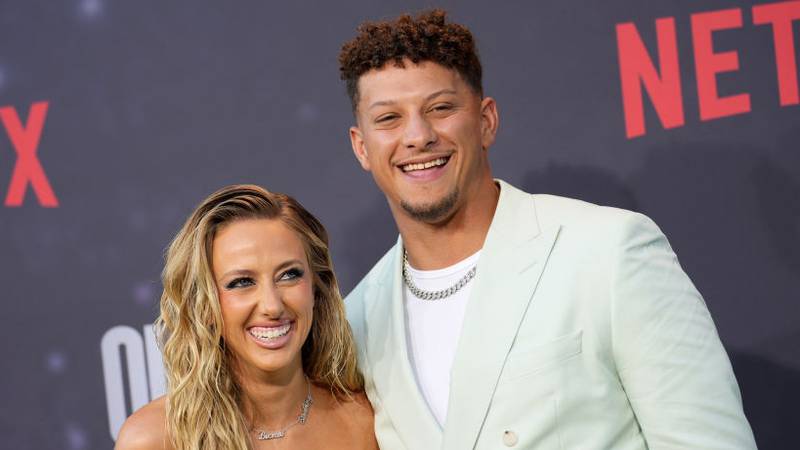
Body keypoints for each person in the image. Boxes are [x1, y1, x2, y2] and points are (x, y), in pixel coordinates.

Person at [339, 10, 757, 450]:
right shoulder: (358, 323)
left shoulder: (608, 251)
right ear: (362, 147)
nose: (418, 136)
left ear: (486, 121)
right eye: (388, 119)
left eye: (440, 108)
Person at [115, 185, 378, 449]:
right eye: (241, 282)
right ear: (204, 306)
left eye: (289, 275)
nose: (272, 306)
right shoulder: (153, 439)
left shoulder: (362, 420)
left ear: (316, 289)